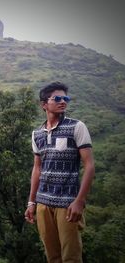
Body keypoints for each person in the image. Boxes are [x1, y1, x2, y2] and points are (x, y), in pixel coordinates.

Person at [24, 82, 95, 263]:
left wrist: (79, 201)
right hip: (42, 204)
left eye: (65, 98)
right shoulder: (37, 134)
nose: (62, 101)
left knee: (71, 257)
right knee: (52, 257)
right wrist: (31, 202)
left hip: (67, 204)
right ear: (44, 104)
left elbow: (89, 166)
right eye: (57, 98)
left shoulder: (77, 127)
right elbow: (37, 169)